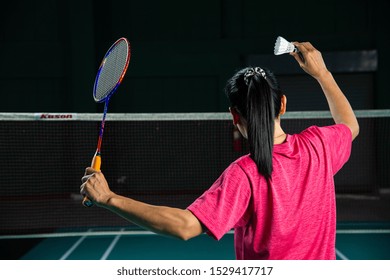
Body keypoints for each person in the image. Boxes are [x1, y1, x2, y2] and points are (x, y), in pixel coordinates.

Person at [80, 41, 359, 260]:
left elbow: (185, 226)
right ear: (283, 105)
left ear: (234, 116)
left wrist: (109, 198)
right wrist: (322, 73)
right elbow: (349, 125)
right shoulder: (318, 146)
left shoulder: (244, 174)